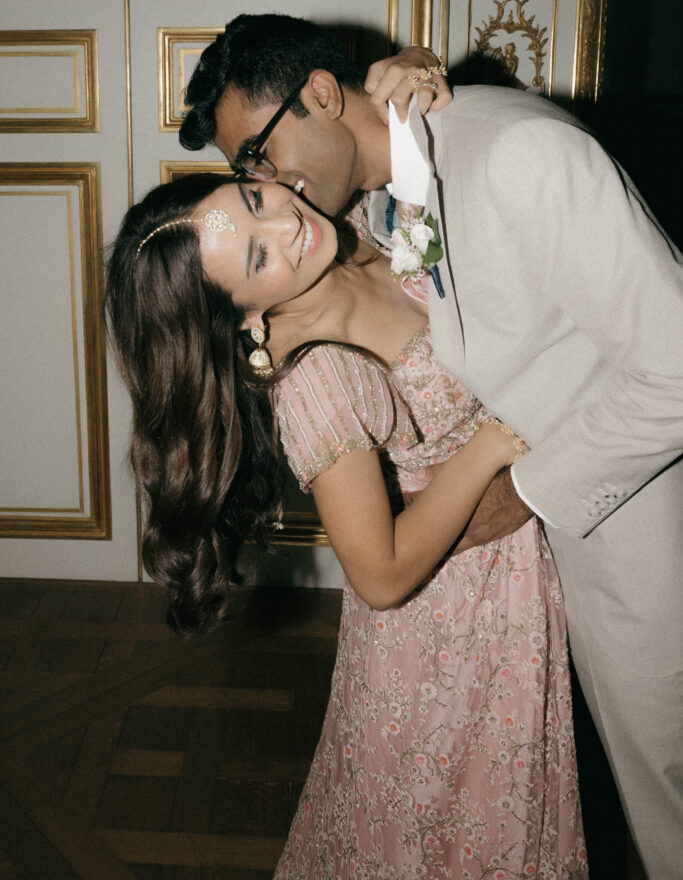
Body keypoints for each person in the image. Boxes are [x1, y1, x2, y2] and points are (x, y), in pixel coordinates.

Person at [178, 14, 683, 879]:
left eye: (257, 163)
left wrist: (519, 489)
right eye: (244, 176)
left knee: (665, 785)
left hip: (638, 539)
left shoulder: (508, 155)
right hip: (517, 591)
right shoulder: (382, 203)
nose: (265, 185)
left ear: (323, 95)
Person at [106, 171, 587, 876]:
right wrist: (491, 445)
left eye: (254, 203)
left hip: (511, 576)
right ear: (244, 318)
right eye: (255, 259)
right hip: (449, 630)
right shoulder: (319, 381)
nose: (284, 229)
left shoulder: (355, 233)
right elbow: (380, 577)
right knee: (448, 831)